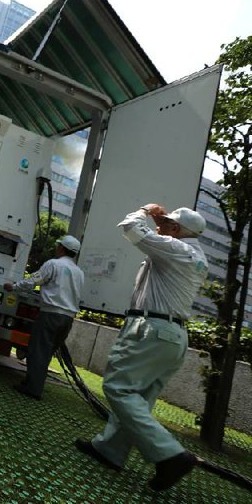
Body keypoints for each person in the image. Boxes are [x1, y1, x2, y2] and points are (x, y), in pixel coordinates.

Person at [74, 204, 208, 492]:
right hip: (174, 337)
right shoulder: (196, 257)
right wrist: (163, 221)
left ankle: (171, 454)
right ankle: (109, 450)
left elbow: (130, 228)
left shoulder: (173, 248)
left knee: (118, 388)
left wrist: (146, 209)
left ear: (176, 230)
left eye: (166, 222)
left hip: (151, 331)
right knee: (139, 400)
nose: (160, 224)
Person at [4, 235, 84, 400]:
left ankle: (33, 389)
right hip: (68, 319)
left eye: (58, 245)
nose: (57, 248)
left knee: (38, 351)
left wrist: (14, 287)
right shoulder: (79, 272)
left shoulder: (53, 264)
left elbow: (34, 280)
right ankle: (32, 383)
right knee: (46, 353)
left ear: (61, 248)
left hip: (51, 314)